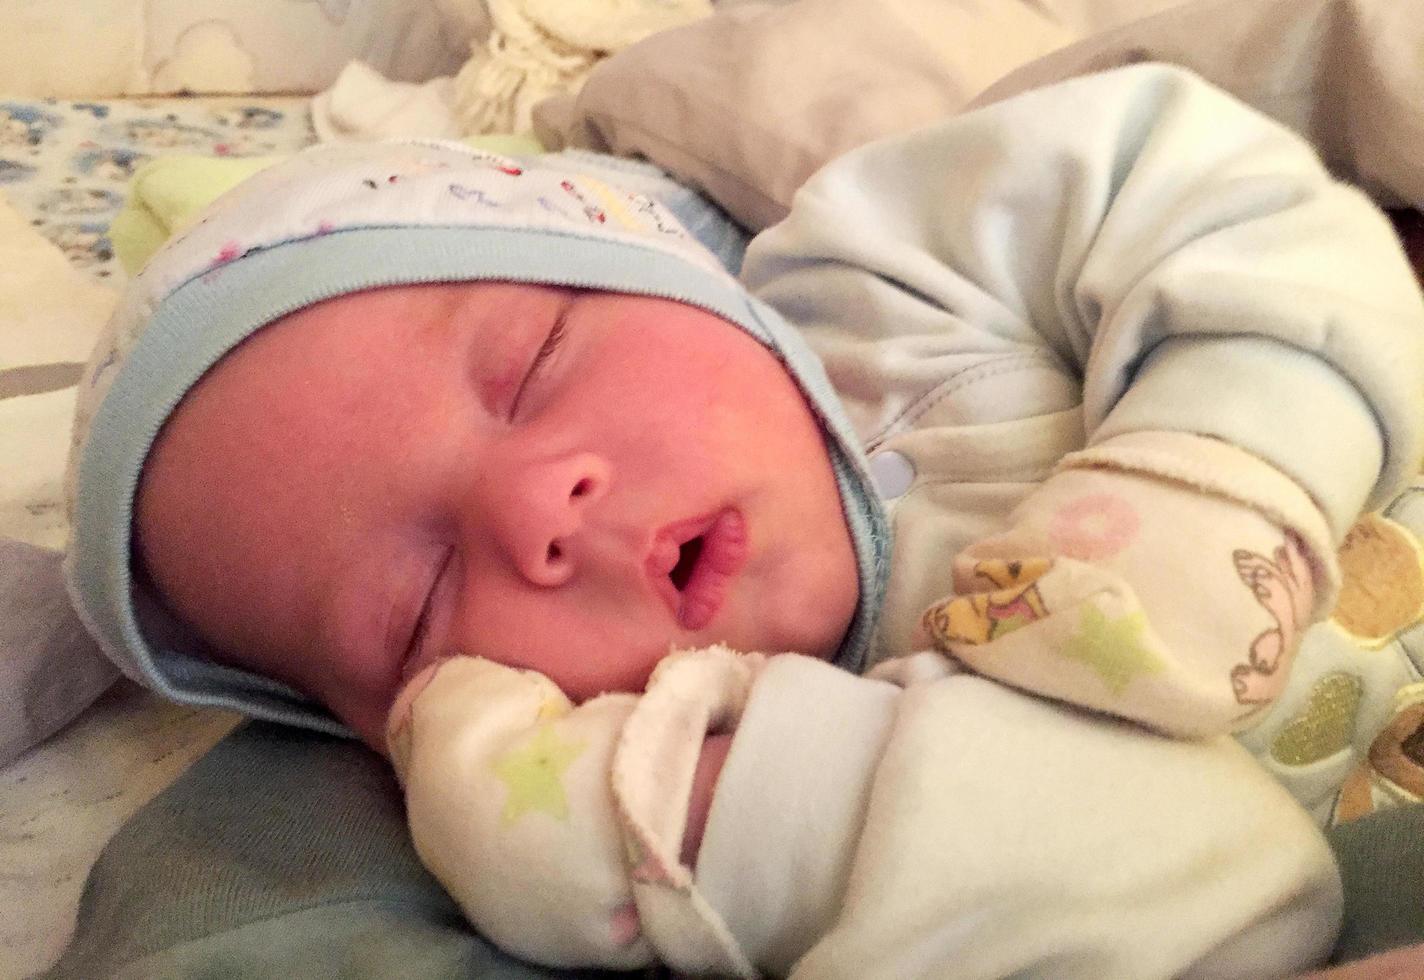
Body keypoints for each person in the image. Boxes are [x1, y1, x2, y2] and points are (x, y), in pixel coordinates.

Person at [62, 64, 1424, 977]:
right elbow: (1209, 892)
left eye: (534, 362)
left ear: (663, 272)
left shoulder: (888, 275)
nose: (539, 508)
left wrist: (1220, 457)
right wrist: (675, 818)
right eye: (411, 609)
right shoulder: (694, 768)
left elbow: (1204, 184)